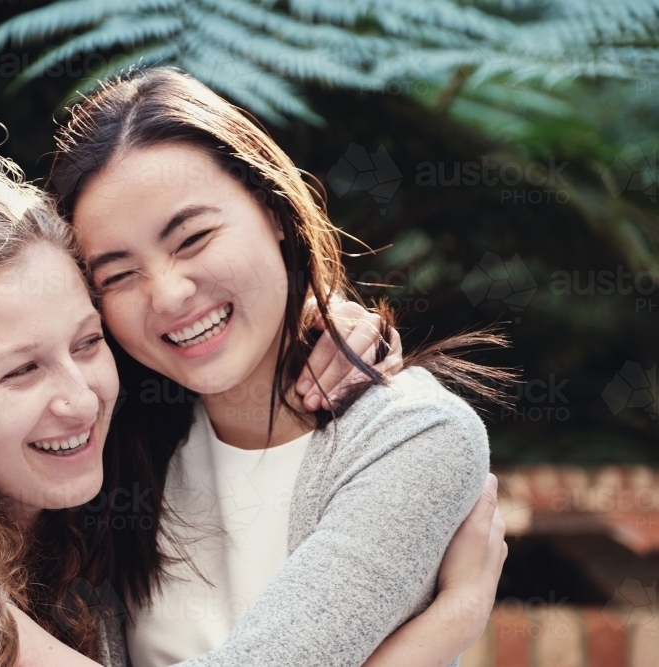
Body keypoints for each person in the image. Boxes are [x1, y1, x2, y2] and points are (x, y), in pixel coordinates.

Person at [0, 163, 503, 667]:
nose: (78, 396)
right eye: (21, 369)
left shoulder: (74, 501)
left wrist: (308, 321)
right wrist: (450, 625)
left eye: (88, 340)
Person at [45, 67, 512, 667]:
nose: (167, 294)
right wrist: (448, 626)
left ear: (273, 211)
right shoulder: (100, 450)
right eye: (118, 275)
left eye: (192, 239)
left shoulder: (416, 436)